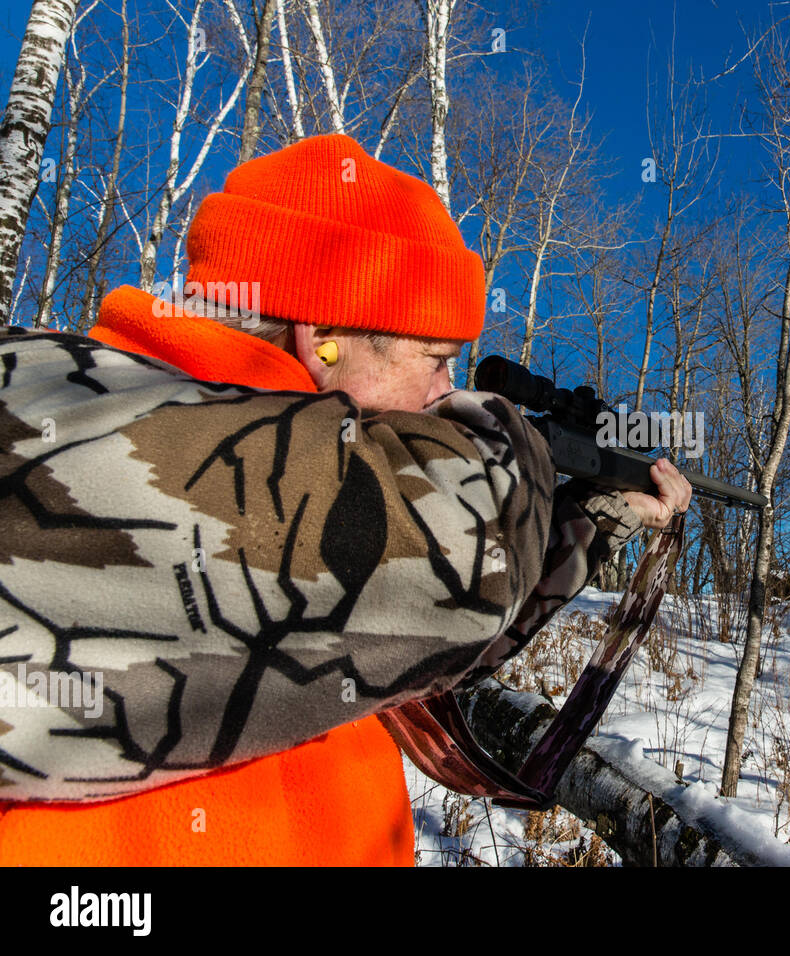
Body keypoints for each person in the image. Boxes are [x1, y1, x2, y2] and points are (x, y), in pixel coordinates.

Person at [0, 133, 690, 865]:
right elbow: (438, 542)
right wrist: (510, 432)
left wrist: (595, 517)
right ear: (324, 334)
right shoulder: (57, 410)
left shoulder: (300, 478)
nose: (443, 394)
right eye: (435, 361)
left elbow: (409, 628)